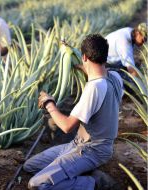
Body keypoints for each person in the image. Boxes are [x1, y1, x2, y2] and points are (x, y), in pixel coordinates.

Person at [23, 34, 123, 190]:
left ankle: (95, 183)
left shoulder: (94, 88)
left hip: (92, 150)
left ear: (84, 56)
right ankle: (79, 172)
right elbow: (98, 72)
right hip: (77, 144)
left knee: (37, 184)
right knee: (31, 166)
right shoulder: (116, 77)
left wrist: (49, 104)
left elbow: (67, 126)